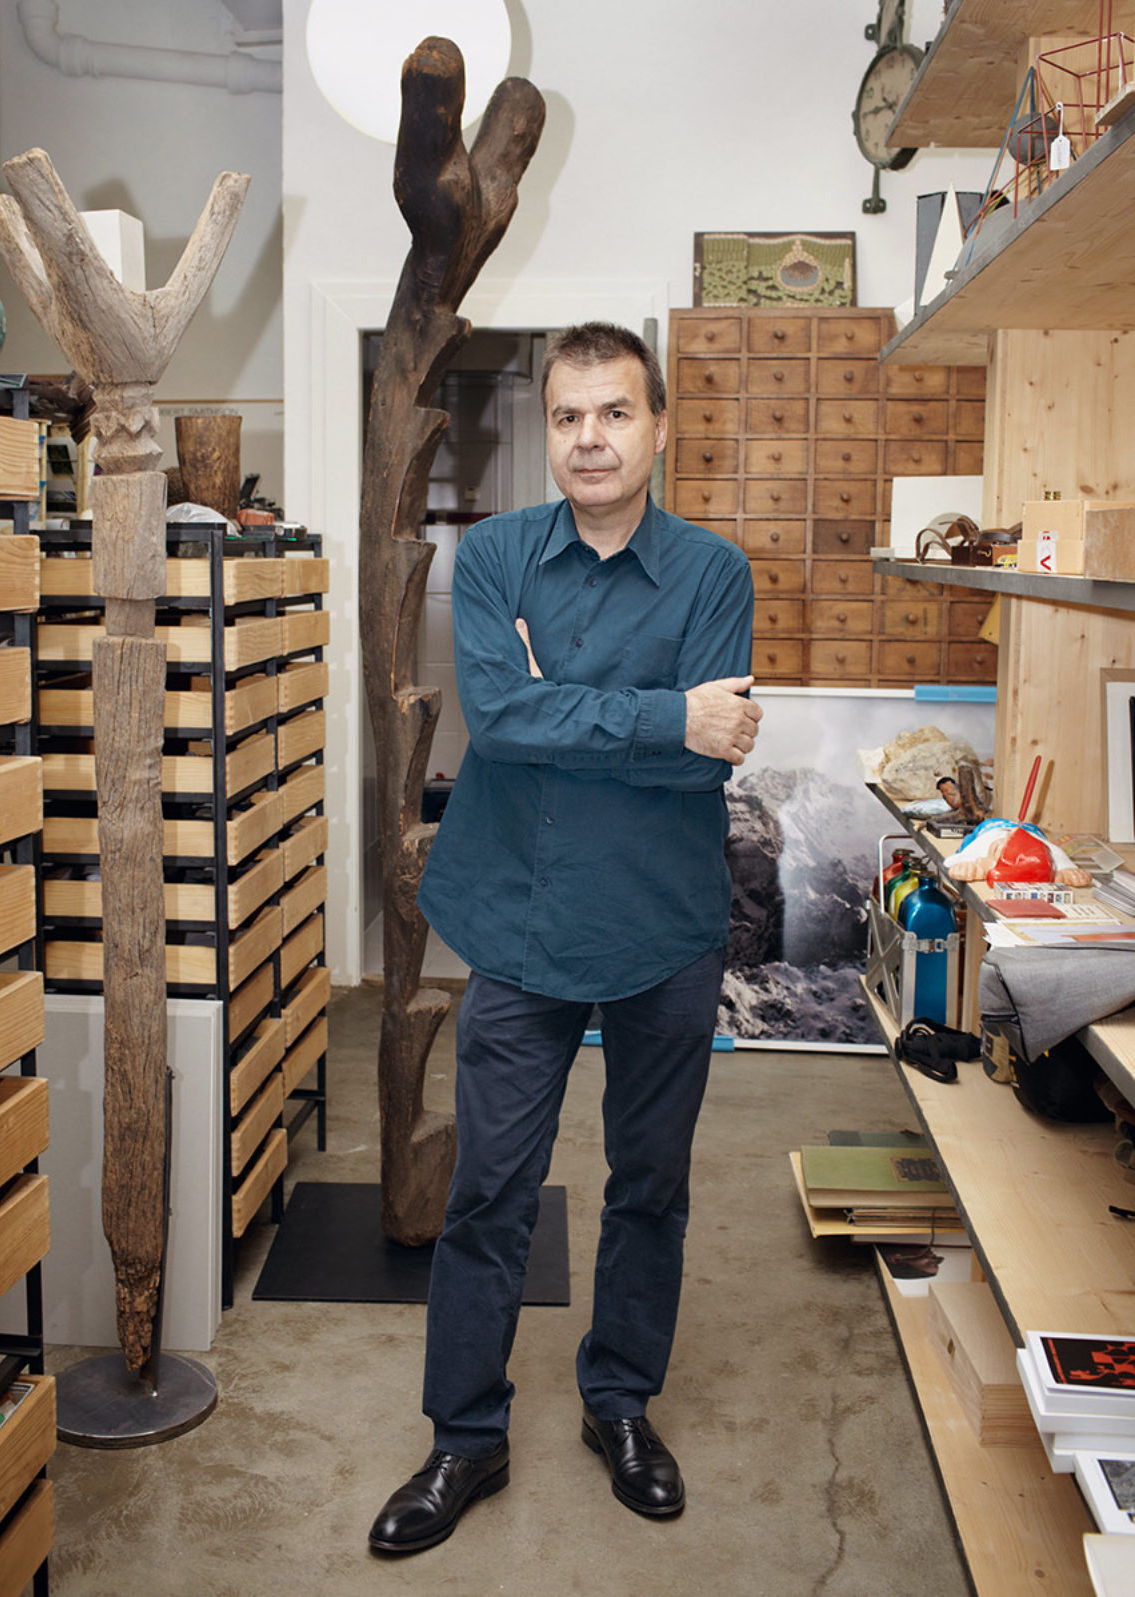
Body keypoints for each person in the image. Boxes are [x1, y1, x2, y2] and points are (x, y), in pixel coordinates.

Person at [368, 322, 761, 1554]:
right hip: (523, 925)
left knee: (650, 1186)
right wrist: (661, 718)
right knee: (489, 1189)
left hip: (663, 924)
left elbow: (703, 757)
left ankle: (620, 1403)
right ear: (553, 432)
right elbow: (502, 716)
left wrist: (568, 713)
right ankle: (465, 1436)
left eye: (615, 414)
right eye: (570, 417)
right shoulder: (490, 558)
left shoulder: (714, 572)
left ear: (657, 427)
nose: (590, 438)